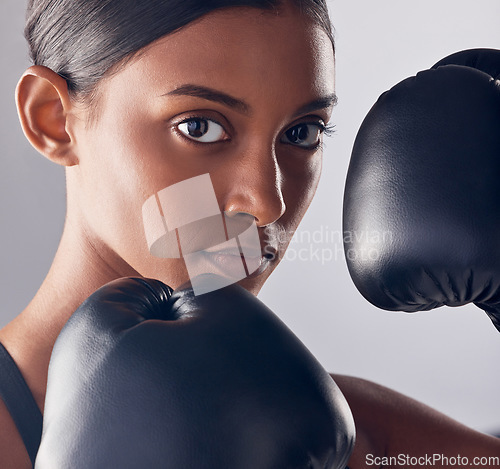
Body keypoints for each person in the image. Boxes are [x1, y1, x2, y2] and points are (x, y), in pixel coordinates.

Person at [0, 0, 498, 467]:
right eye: (199, 127)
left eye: (302, 132)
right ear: (54, 121)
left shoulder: (344, 430)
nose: (266, 202)